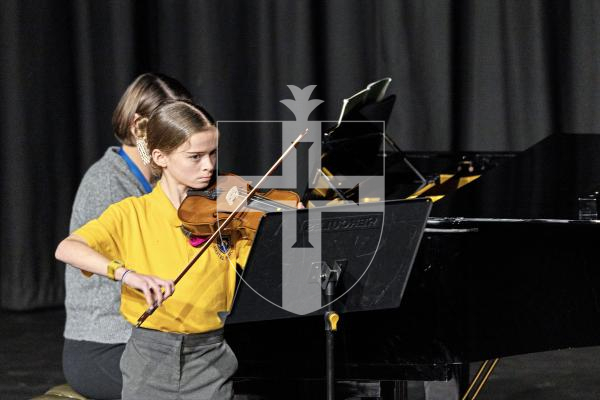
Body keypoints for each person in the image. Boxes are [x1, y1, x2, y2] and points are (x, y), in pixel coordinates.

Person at [56, 100, 255, 399]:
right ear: (161, 157)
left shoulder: (227, 213)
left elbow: (264, 263)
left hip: (211, 356)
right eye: (195, 156)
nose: (209, 166)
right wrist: (127, 275)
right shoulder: (132, 213)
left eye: (213, 153)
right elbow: (68, 248)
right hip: (149, 358)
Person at [62, 73, 192, 399]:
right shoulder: (107, 183)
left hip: (151, 337)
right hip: (103, 345)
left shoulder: (161, 181)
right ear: (139, 128)